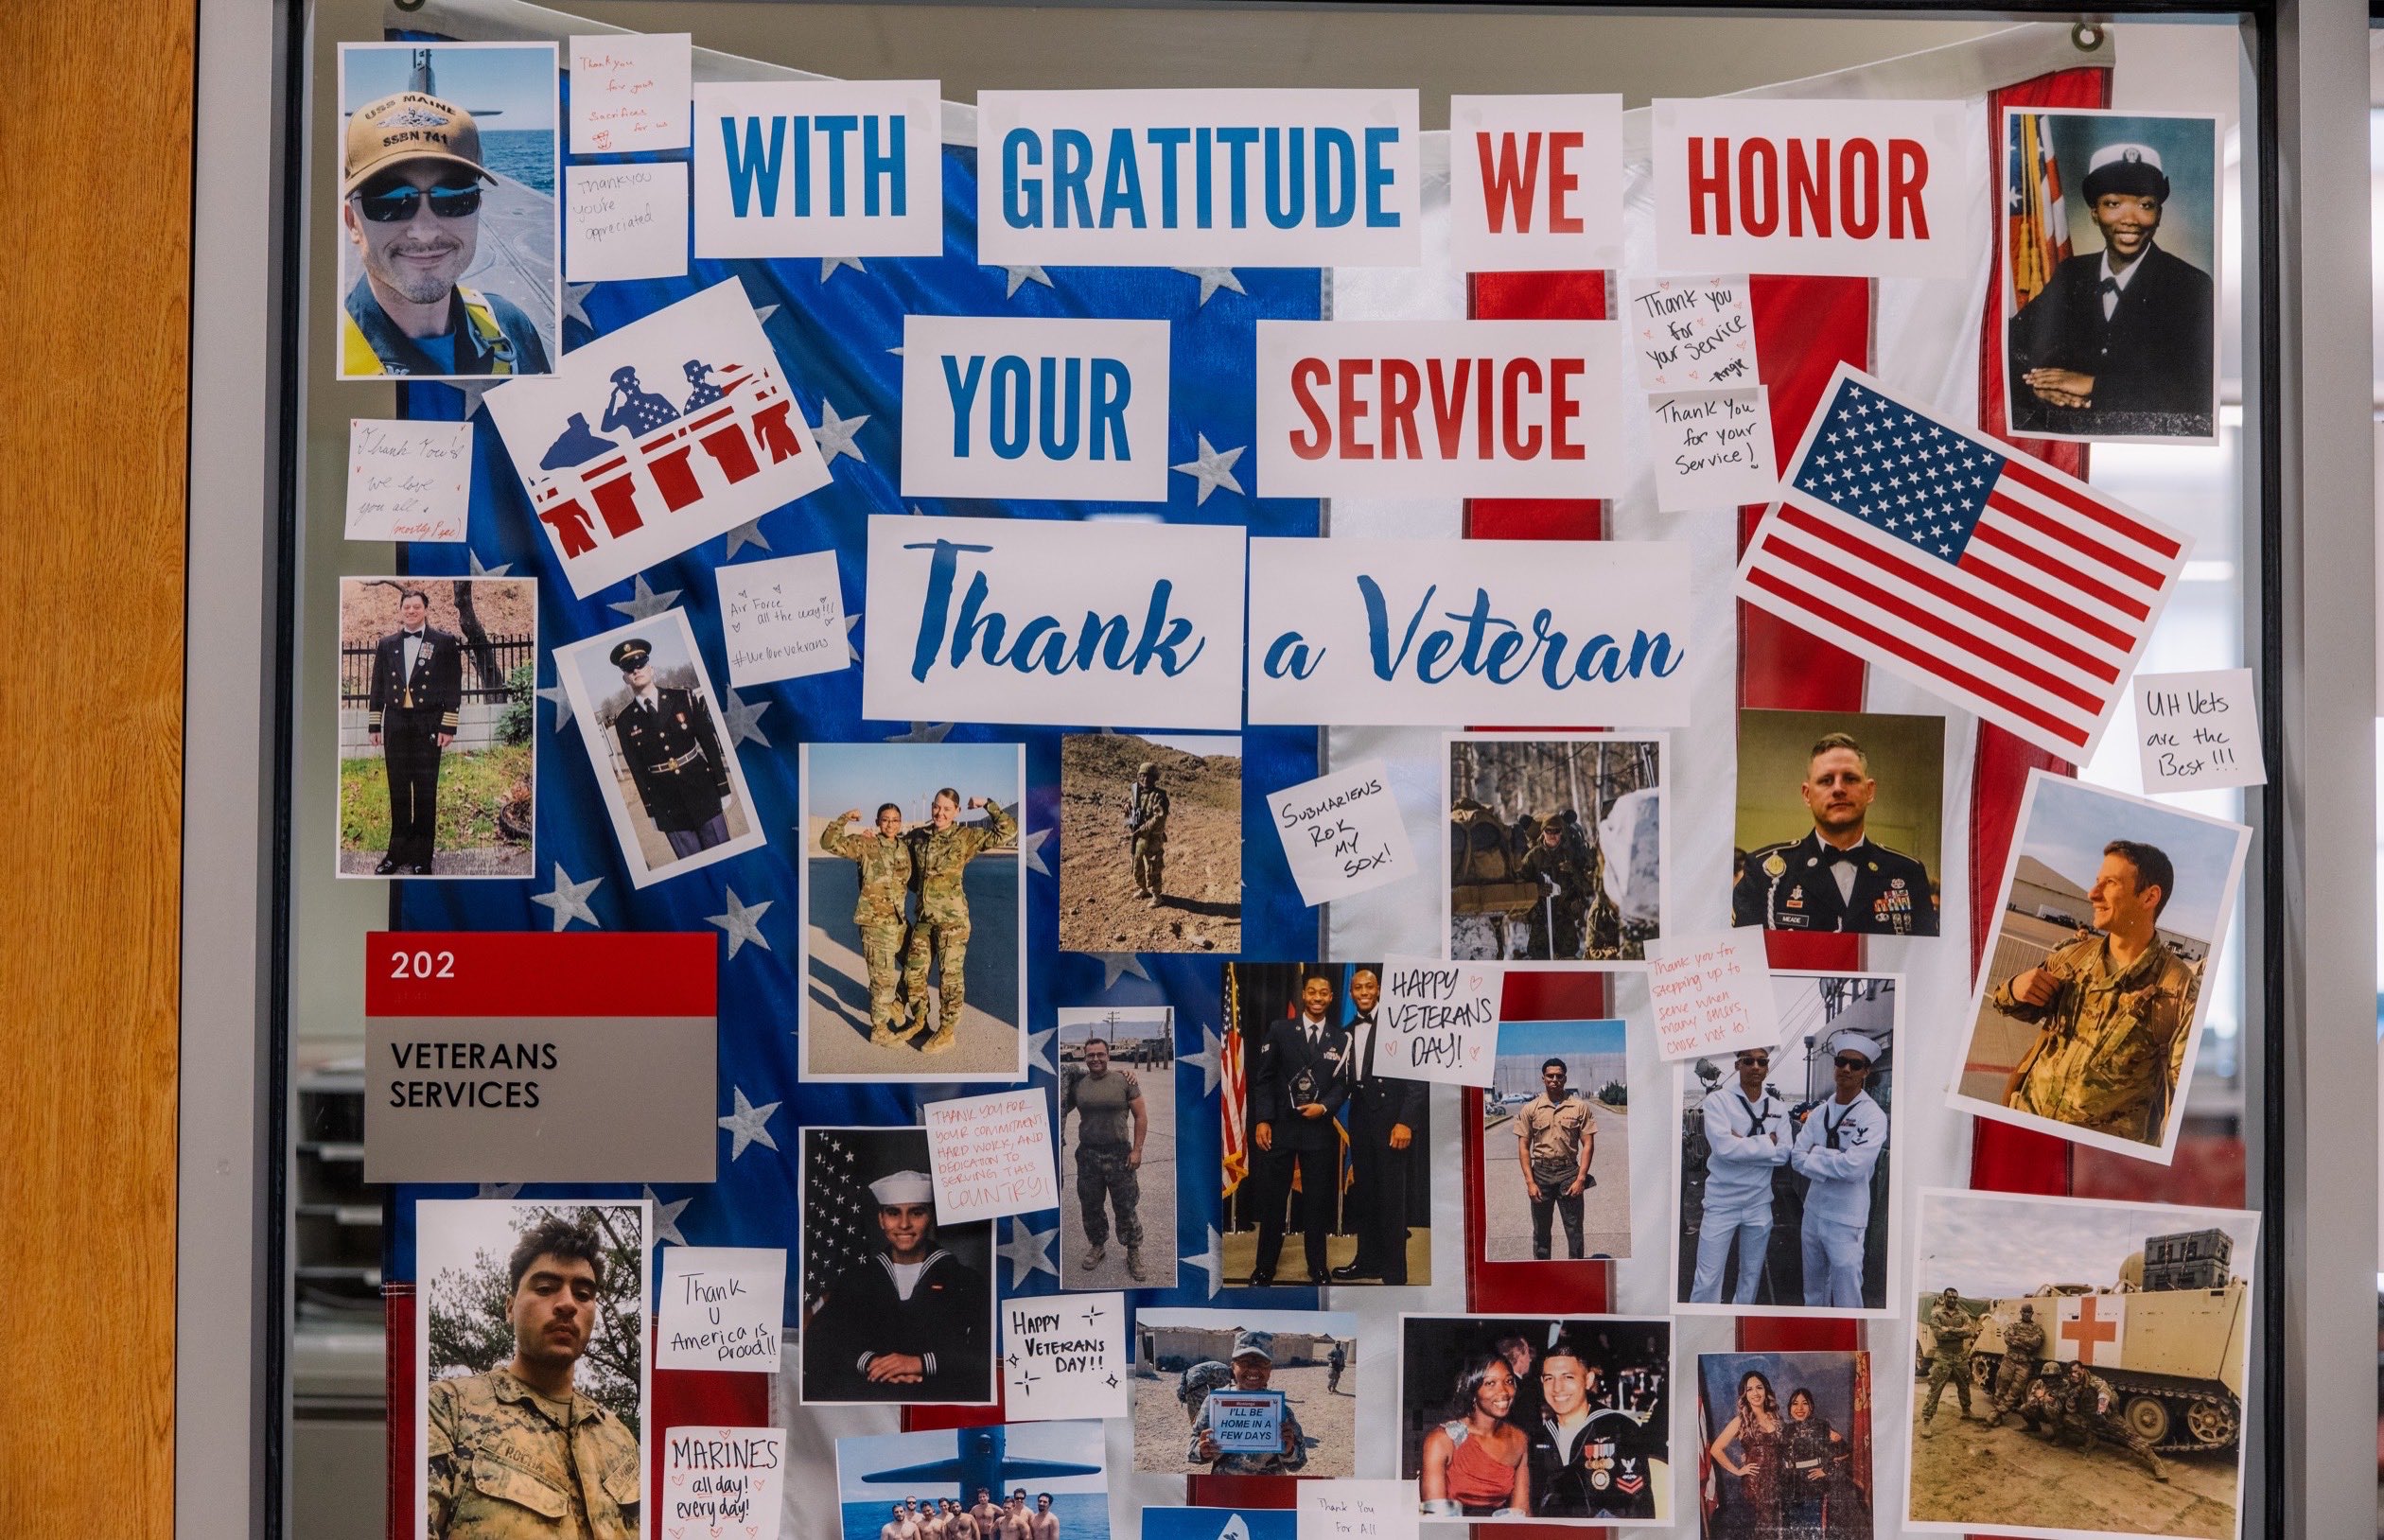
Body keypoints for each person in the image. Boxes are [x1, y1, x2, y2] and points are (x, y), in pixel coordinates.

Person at [426, 1216, 640, 1539]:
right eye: (545, 1288)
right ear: (510, 1307)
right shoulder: (447, 1409)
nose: (568, 1304)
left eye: (583, 1294)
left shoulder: (620, 1440)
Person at [1995, 839, 2200, 1146]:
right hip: (2024, 1130)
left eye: (2110, 883)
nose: (2092, 894)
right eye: (2096, 881)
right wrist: (2015, 988)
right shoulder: (2073, 957)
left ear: (2149, 897)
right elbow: (2012, 1006)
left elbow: (2182, 1117)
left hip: (2093, 1165)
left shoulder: (2179, 997)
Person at [2007, 141, 2215, 438]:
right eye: (2113, 204)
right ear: (2094, 212)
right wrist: (2040, 389)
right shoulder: (2071, 276)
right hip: (2070, 451)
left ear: (2159, 214)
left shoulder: (2191, 287)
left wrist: (2093, 385)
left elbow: (2194, 392)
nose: (2129, 220)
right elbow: (2011, 351)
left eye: (2145, 205)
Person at [339, 92, 551, 377]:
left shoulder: (513, 328)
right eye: (389, 202)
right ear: (353, 222)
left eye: (456, 197)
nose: (424, 232)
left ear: (477, 206)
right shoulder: (325, 362)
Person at [802, 1169, 989, 1403]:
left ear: (930, 1217)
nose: (904, 1224)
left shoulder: (964, 1281)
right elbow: (819, 1344)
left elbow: (985, 1355)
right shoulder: (856, 1280)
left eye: (916, 1213)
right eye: (893, 1213)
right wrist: (870, 1363)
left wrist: (919, 1364)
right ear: (881, 1219)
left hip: (936, 1400)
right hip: (870, 1402)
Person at [1734, 733, 1936, 936]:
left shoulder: (1907, 873)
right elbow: (1746, 959)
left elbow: (1925, 960)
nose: (1838, 788)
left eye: (1850, 778)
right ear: (1807, 795)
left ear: (1869, 791)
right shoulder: (1764, 873)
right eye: (1826, 780)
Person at [1247, 973, 1349, 1286]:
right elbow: (1263, 1078)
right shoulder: (1280, 1029)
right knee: (1273, 1200)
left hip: (1318, 1130)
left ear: (1331, 998)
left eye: (1324, 993)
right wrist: (1263, 1119)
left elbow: (1343, 1084)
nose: (1318, 997)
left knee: (1317, 1203)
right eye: (1312, 992)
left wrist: (1326, 1106)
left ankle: (1317, 1266)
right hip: (1281, 1127)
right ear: (1304, 995)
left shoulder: (1341, 1039)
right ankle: (1264, 1267)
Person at [902, 788, 1019, 1056]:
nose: (940, 813)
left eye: (946, 809)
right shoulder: (918, 836)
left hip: (952, 922)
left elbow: (1007, 830)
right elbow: (895, 852)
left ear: (957, 812)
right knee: (913, 974)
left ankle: (946, 1031)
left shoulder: (966, 836)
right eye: (937, 807)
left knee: (949, 979)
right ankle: (920, 1022)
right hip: (924, 919)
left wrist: (988, 804)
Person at [606, 638, 735, 861]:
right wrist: (651, 810)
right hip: (666, 804)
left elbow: (709, 744)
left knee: (725, 858)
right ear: (625, 677)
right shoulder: (625, 721)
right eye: (629, 668)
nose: (636, 670)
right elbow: (637, 770)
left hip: (702, 790)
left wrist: (723, 787)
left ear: (651, 668)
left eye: (640, 663)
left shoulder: (683, 698)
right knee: (693, 868)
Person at [1336, 967, 1426, 1284]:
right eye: (1357, 987)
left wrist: (1405, 1122)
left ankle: (1393, 1271)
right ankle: (1367, 1261)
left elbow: (1417, 1081)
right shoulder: (1344, 1032)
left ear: (1379, 991)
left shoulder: (1397, 1028)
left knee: (1391, 1199)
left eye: (1369, 987)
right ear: (1350, 993)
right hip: (1360, 1119)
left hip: (1390, 1122)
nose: (1363, 992)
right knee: (1366, 1196)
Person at [1788, 1032, 1889, 1308]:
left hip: (1847, 1219)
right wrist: (1836, 1159)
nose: (1846, 1068)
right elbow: (1796, 1158)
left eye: (1855, 1065)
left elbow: (1854, 1168)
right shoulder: (1820, 1113)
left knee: (1847, 1294)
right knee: (1813, 1292)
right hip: (1814, 1212)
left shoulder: (1872, 1116)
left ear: (1865, 1072)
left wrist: (1817, 1153)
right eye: (1841, 1061)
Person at [367, 588, 464, 876]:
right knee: (398, 790)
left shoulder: (443, 643)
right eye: (406, 607)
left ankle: (422, 856)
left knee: (424, 791)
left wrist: (448, 725)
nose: (411, 611)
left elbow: (453, 686)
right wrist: (375, 724)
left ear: (425, 609)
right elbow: (377, 686)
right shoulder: (387, 644)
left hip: (428, 724)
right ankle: (395, 855)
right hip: (395, 724)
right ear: (400, 610)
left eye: (416, 607)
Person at [1691, 1046, 1791, 1304]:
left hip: (1759, 1204)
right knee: (1707, 1279)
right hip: (1721, 1203)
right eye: (1748, 1061)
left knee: (1751, 1276)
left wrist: (1742, 1143)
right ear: (1738, 1066)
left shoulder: (1779, 1108)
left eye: (1761, 1061)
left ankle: (1738, 1321)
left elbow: (1784, 1155)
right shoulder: (1718, 1101)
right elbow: (1723, 1149)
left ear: (1767, 1066)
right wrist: (1767, 1143)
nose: (1755, 1066)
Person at [818, 803, 920, 1046]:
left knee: (918, 964)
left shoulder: (904, 849)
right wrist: (845, 818)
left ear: (901, 822)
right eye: (885, 819)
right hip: (875, 924)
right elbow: (828, 842)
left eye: (895, 820)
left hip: (899, 922)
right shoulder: (864, 844)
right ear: (877, 822)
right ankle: (880, 1030)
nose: (890, 824)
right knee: (882, 979)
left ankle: (895, 1004)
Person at [1061, 1035, 1148, 1281]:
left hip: (1120, 1154)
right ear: (1084, 1057)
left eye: (1100, 1054)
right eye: (1091, 1055)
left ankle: (1133, 1251)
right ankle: (1097, 1245)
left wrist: (1137, 1150)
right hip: (1088, 1155)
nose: (1095, 1059)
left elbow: (1141, 1116)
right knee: (1090, 1206)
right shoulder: (1078, 1085)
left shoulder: (1124, 1080)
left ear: (1108, 1056)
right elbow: (1058, 1104)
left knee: (1126, 1206)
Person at [1419, 1355, 1531, 1517]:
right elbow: (1434, 1519)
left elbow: (1523, 1514)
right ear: (1472, 1391)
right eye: (1490, 1383)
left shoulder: (1519, 1439)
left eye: (1508, 1381)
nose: (1504, 1392)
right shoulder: (1441, 1440)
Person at [1186, 1331, 1307, 1475]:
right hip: (1226, 1492)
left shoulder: (1280, 1410)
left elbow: (1298, 1463)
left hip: (1269, 1493)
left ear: (1269, 1369)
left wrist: (1289, 1451)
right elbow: (1192, 1449)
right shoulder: (1215, 1403)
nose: (1253, 1368)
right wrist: (1202, 1450)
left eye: (1261, 1363)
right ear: (1232, 1366)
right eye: (1245, 1362)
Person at [1516, 1059, 1597, 1261]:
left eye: (1559, 1076)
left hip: (1569, 1174)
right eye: (1550, 1076)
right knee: (1541, 1233)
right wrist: (1530, 1182)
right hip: (1541, 1175)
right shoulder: (1531, 1109)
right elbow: (1524, 1147)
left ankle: (1576, 1273)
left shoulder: (1579, 1108)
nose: (1554, 1080)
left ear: (1565, 1078)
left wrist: (1580, 1179)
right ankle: (1543, 1276)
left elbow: (1588, 1144)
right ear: (1542, 1078)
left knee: (1575, 1232)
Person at [2052, 1360, 2169, 1482]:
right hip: (2088, 1417)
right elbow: (2063, 1393)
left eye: (2076, 1371)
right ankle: (2091, 1439)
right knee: (2068, 1419)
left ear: (2082, 1370)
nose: (2074, 1375)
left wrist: (2101, 1410)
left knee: (2130, 1436)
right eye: (2071, 1373)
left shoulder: (2094, 1381)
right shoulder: (2071, 1384)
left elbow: (2104, 1391)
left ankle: (2155, 1461)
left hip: (2106, 1416)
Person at [1706, 1369, 1783, 1540]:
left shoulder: (1775, 1417)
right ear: (1744, 1394)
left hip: (1778, 1481)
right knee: (1764, 1529)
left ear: (1766, 1390)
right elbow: (1715, 1449)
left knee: (1778, 1528)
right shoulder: (1741, 1420)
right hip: (1756, 1483)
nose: (1755, 1393)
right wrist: (1738, 1470)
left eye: (1759, 1388)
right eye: (1750, 1389)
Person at [1779, 1387, 1854, 1536]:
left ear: (1811, 1407)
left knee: (1813, 1532)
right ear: (1789, 1408)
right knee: (1793, 1533)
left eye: (1804, 1403)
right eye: (1795, 1403)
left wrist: (1826, 1470)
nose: (1799, 1408)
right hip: (1789, 1488)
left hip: (1813, 1488)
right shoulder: (1786, 1429)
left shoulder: (1822, 1427)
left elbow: (1845, 1451)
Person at [1515, 815, 1590, 960]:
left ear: (1561, 832)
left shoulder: (1571, 855)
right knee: (1539, 960)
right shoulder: (1533, 857)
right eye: (1549, 831)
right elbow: (1519, 884)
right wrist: (1536, 890)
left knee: (1568, 959)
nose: (1552, 835)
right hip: (1541, 918)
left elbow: (1587, 886)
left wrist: (1573, 871)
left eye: (1556, 831)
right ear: (1543, 832)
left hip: (1565, 918)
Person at [1919, 1287, 1981, 1432]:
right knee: (1936, 1388)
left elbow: (1969, 1332)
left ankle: (1966, 1411)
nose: (1953, 1300)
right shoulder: (1937, 1315)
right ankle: (1926, 1421)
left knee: (1964, 1385)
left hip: (1960, 1355)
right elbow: (1939, 1335)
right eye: (1950, 1297)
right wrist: (1958, 1332)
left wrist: (1950, 1330)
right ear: (1944, 1298)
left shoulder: (1963, 1315)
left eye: (1955, 1297)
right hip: (1943, 1355)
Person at [1990, 1304, 2049, 1426]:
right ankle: (1997, 1413)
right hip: (2009, 1360)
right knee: (2001, 1387)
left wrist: (2018, 1340)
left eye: (2029, 1312)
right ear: (2020, 1312)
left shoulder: (2037, 1328)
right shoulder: (2013, 1325)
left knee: (2015, 1391)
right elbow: (2008, 1339)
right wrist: (2026, 1342)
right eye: (2024, 1312)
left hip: (2024, 1363)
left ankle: (1997, 1413)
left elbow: (2036, 1343)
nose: (2026, 1314)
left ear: (2032, 1313)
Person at [1125, 761, 1170, 907]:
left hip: (1153, 837)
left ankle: (1157, 896)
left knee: (1153, 866)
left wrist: (1143, 829)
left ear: (1155, 779)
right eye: (1142, 776)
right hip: (1139, 837)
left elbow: (1158, 818)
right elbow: (1130, 807)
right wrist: (1127, 807)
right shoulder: (1136, 794)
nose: (1145, 780)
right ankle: (1143, 889)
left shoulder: (1159, 796)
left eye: (1149, 777)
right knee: (1137, 864)